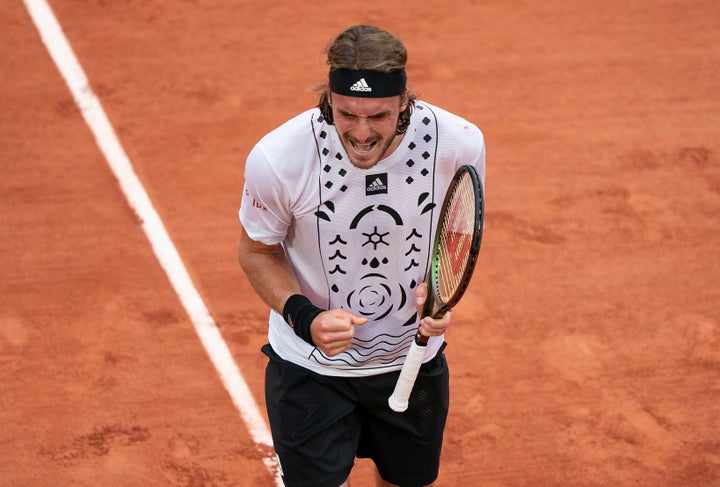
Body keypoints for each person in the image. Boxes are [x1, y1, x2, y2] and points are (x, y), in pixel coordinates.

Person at [237, 24, 485, 487]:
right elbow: (256, 251)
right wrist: (305, 317)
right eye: (347, 114)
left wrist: (440, 293)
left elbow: (457, 230)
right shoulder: (280, 158)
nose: (362, 133)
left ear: (405, 101)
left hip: (410, 361)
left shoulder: (459, 142)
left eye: (379, 116)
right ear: (328, 98)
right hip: (310, 369)